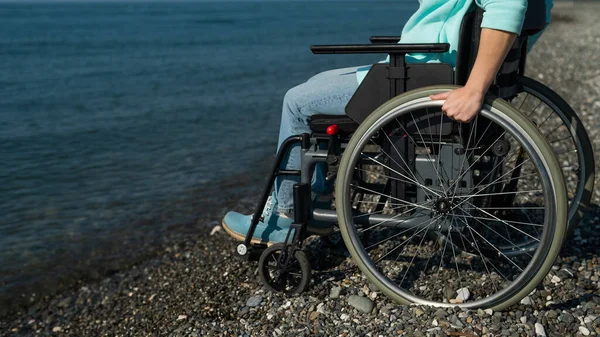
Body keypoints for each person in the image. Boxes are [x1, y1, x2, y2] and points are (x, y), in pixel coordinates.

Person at [222, 0, 554, 245]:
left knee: (297, 102)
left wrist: (474, 89)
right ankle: (316, 197)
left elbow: (508, 6)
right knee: (319, 84)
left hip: (424, 78)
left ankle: (286, 216)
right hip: (432, 69)